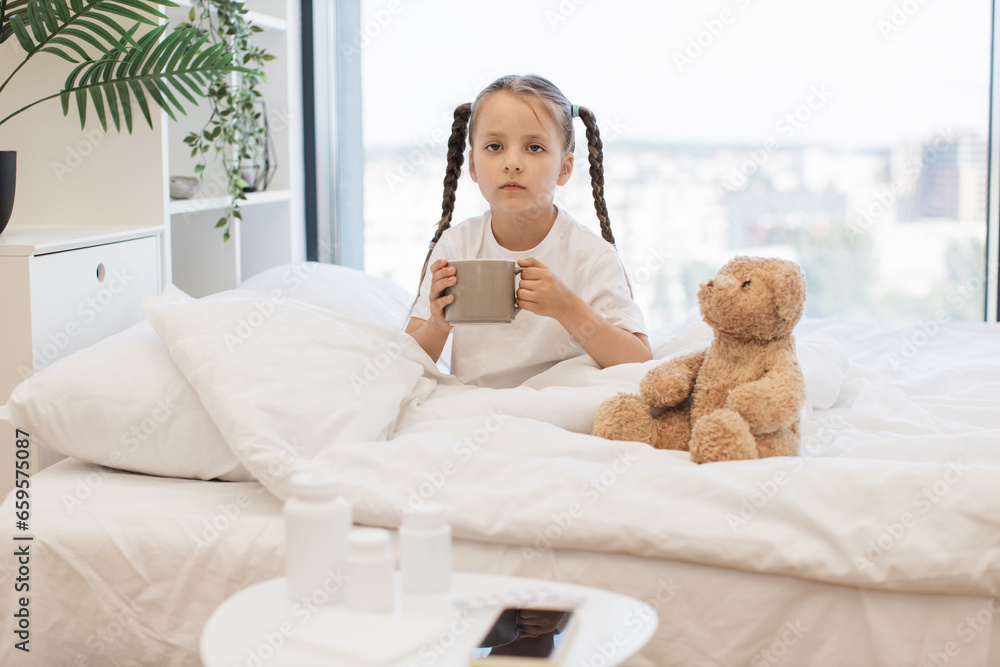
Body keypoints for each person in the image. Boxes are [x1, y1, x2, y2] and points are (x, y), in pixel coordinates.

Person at [406, 74, 651, 388]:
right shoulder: (456, 247)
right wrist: (437, 327)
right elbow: (407, 360)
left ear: (564, 168)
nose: (512, 162)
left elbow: (640, 362)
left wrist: (568, 308)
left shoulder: (590, 256)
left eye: (534, 147)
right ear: (472, 166)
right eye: (494, 146)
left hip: (560, 407)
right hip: (475, 410)